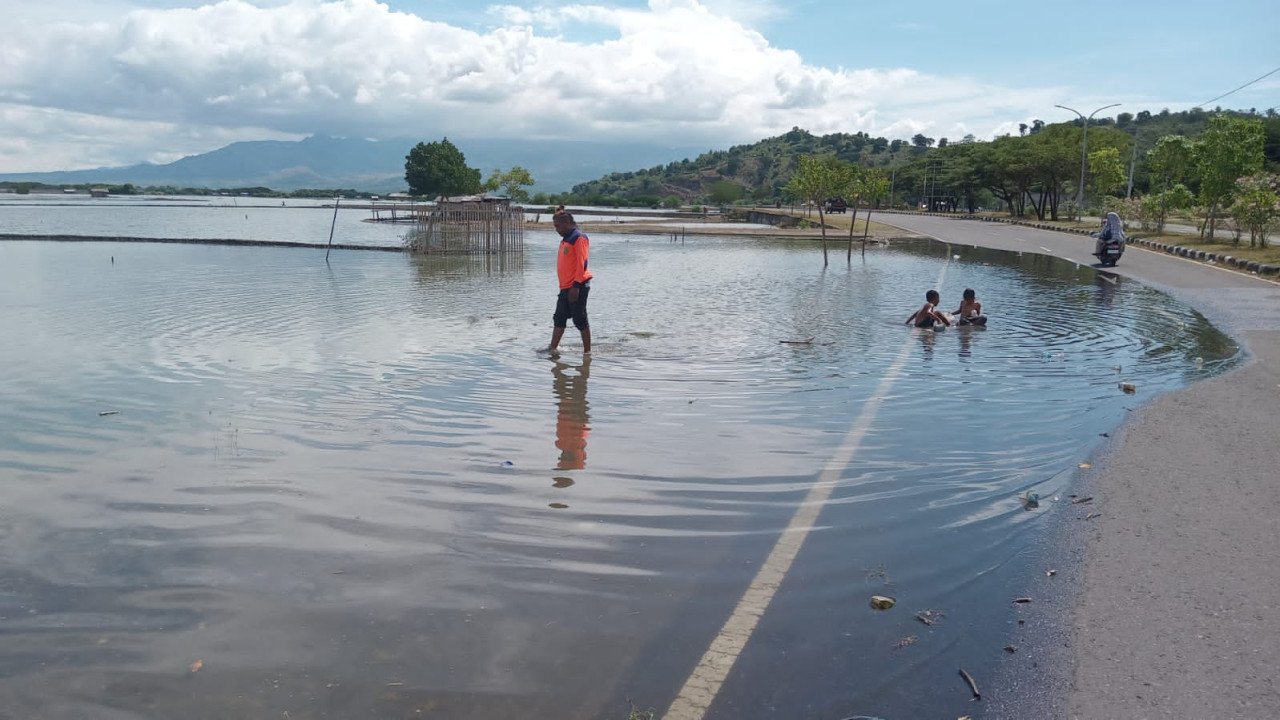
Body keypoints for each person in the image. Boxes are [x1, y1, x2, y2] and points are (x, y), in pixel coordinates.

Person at [545, 207, 593, 355]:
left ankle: (587, 353)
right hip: (565, 287)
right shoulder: (566, 239)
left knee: (579, 319)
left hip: (577, 286)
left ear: (566, 222)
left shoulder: (578, 238)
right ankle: (552, 348)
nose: (556, 229)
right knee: (559, 318)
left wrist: (576, 286)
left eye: (557, 226)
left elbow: (582, 263)